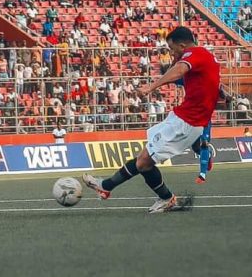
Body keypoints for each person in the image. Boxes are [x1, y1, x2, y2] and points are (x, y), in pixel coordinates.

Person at [82, 27, 220, 213]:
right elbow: (195, 80)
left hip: (187, 122)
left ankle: (165, 198)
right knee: (143, 159)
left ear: (182, 45)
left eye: (172, 49)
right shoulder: (204, 58)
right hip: (183, 118)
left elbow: (180, 70)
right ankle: (106, 186)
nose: (171, 53)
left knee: (144, 162)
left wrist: (151, 87)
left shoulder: (195, 53)